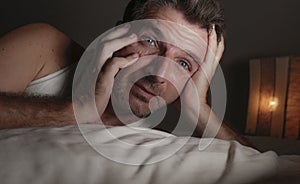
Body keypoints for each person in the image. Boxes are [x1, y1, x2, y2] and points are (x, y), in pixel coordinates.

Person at [0, 0, 249, 145]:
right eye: (150, 41)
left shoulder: (150, 147)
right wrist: (77, 111)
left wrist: (198, 108)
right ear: (116, 35)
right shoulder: (44, 46)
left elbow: (269, 171)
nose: (159, 74)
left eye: (183, 64)